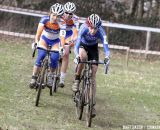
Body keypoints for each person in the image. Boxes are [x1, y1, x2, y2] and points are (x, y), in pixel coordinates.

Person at [72, 14, 110, 117]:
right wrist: (76, 56)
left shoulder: (101, 31)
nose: (93, 31)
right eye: (91, 28)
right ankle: (77, 78)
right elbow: (76, 45)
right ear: (88, 25)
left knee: (93, 76)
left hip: (93, 48)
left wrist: (107, 57)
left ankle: (91, 104)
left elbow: (106, 47)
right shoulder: (83, 28)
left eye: (95, 28)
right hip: (82, 46)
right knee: (82, 58)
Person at [29, 3, 64, 88]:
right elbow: (38, 33)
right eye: (54, 15)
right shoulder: (44, 19)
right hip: (44, 39)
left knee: (55, 58)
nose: (55, 18)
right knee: (41, 55)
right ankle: (34, 77)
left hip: (55, 41)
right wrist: (36, 42)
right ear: (50, 13)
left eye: (58, 16)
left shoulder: (62, 24)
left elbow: (62, 37)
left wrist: (62, 47)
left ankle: (50, 75)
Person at [58, 2, 79, 88]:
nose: (68, 15)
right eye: (66, 12)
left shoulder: (75, 19)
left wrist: (73, 41)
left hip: (68, 35)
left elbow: (76, 32)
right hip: (58, 32)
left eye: (70, 13)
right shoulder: (59, 15)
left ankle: (62, 79)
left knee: (66, 53)